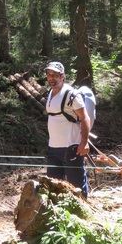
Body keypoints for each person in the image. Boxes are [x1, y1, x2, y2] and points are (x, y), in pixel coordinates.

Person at [44, 62, 91, 198]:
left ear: (63, 76)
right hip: (53, 148)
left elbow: (84, 118)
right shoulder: (50, 94)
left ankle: (83, 214)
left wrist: (84, 142)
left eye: (55, 75)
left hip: (72, 148)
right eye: (49, 75)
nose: (51, 78)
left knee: (76, 187)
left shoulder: (71, 95)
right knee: (53, 186)